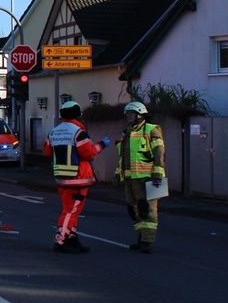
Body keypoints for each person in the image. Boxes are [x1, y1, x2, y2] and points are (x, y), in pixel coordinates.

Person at [43, 101, 112, 254]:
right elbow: (88, 153)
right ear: (77, 114)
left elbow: (47, 152)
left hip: (61, 178)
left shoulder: (53, 132)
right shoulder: (79, 132)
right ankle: (61, 240)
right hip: (78, 179)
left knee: (71, 210)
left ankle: (71, 238)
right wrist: (102, 144)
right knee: (70, 211)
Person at [115, 101, 166, 253]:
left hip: (148, 178)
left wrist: (158, 172)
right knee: (133, 210)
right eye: (127, 114)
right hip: (130, 179)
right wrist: (118, 174)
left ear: (140, 114)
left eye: (131, 114)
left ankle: (147, 241)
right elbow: (123, 156)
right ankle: (140, 239)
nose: (128, 117)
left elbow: (159, 153)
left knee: (148, 210)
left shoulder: (152, 130)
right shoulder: (127, 133)